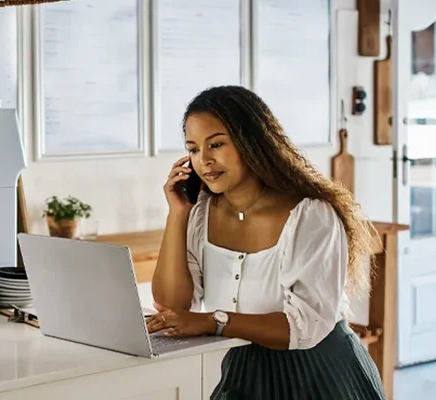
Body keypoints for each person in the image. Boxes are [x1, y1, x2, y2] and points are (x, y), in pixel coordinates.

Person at [147, 85, 385, 400]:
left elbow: (305, 326)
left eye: (216, 144)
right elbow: (174, 306)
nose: (204, 160)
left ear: (253, 141)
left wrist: (212, 321)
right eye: (193, 149)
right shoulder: (201, 212)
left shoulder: (311, 214)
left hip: (322, 376)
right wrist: (177, 215)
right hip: (244, 371)